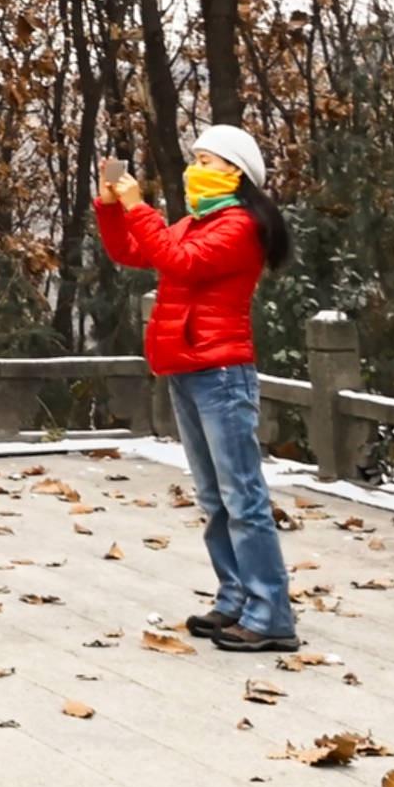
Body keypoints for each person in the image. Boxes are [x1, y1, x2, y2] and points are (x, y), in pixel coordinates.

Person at [94, 123, 298, 653]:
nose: (195, 169)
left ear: (235, 172)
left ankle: (270, 612)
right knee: (213, 496)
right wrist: (111, 204)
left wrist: (139, 204)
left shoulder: (239, 227)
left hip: (222, 371)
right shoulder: (198, 222)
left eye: (206, 161)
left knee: (243, 496)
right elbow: (136, 251)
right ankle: (236, 599)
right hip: (185, 366)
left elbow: (178, 260)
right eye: (196, 159)